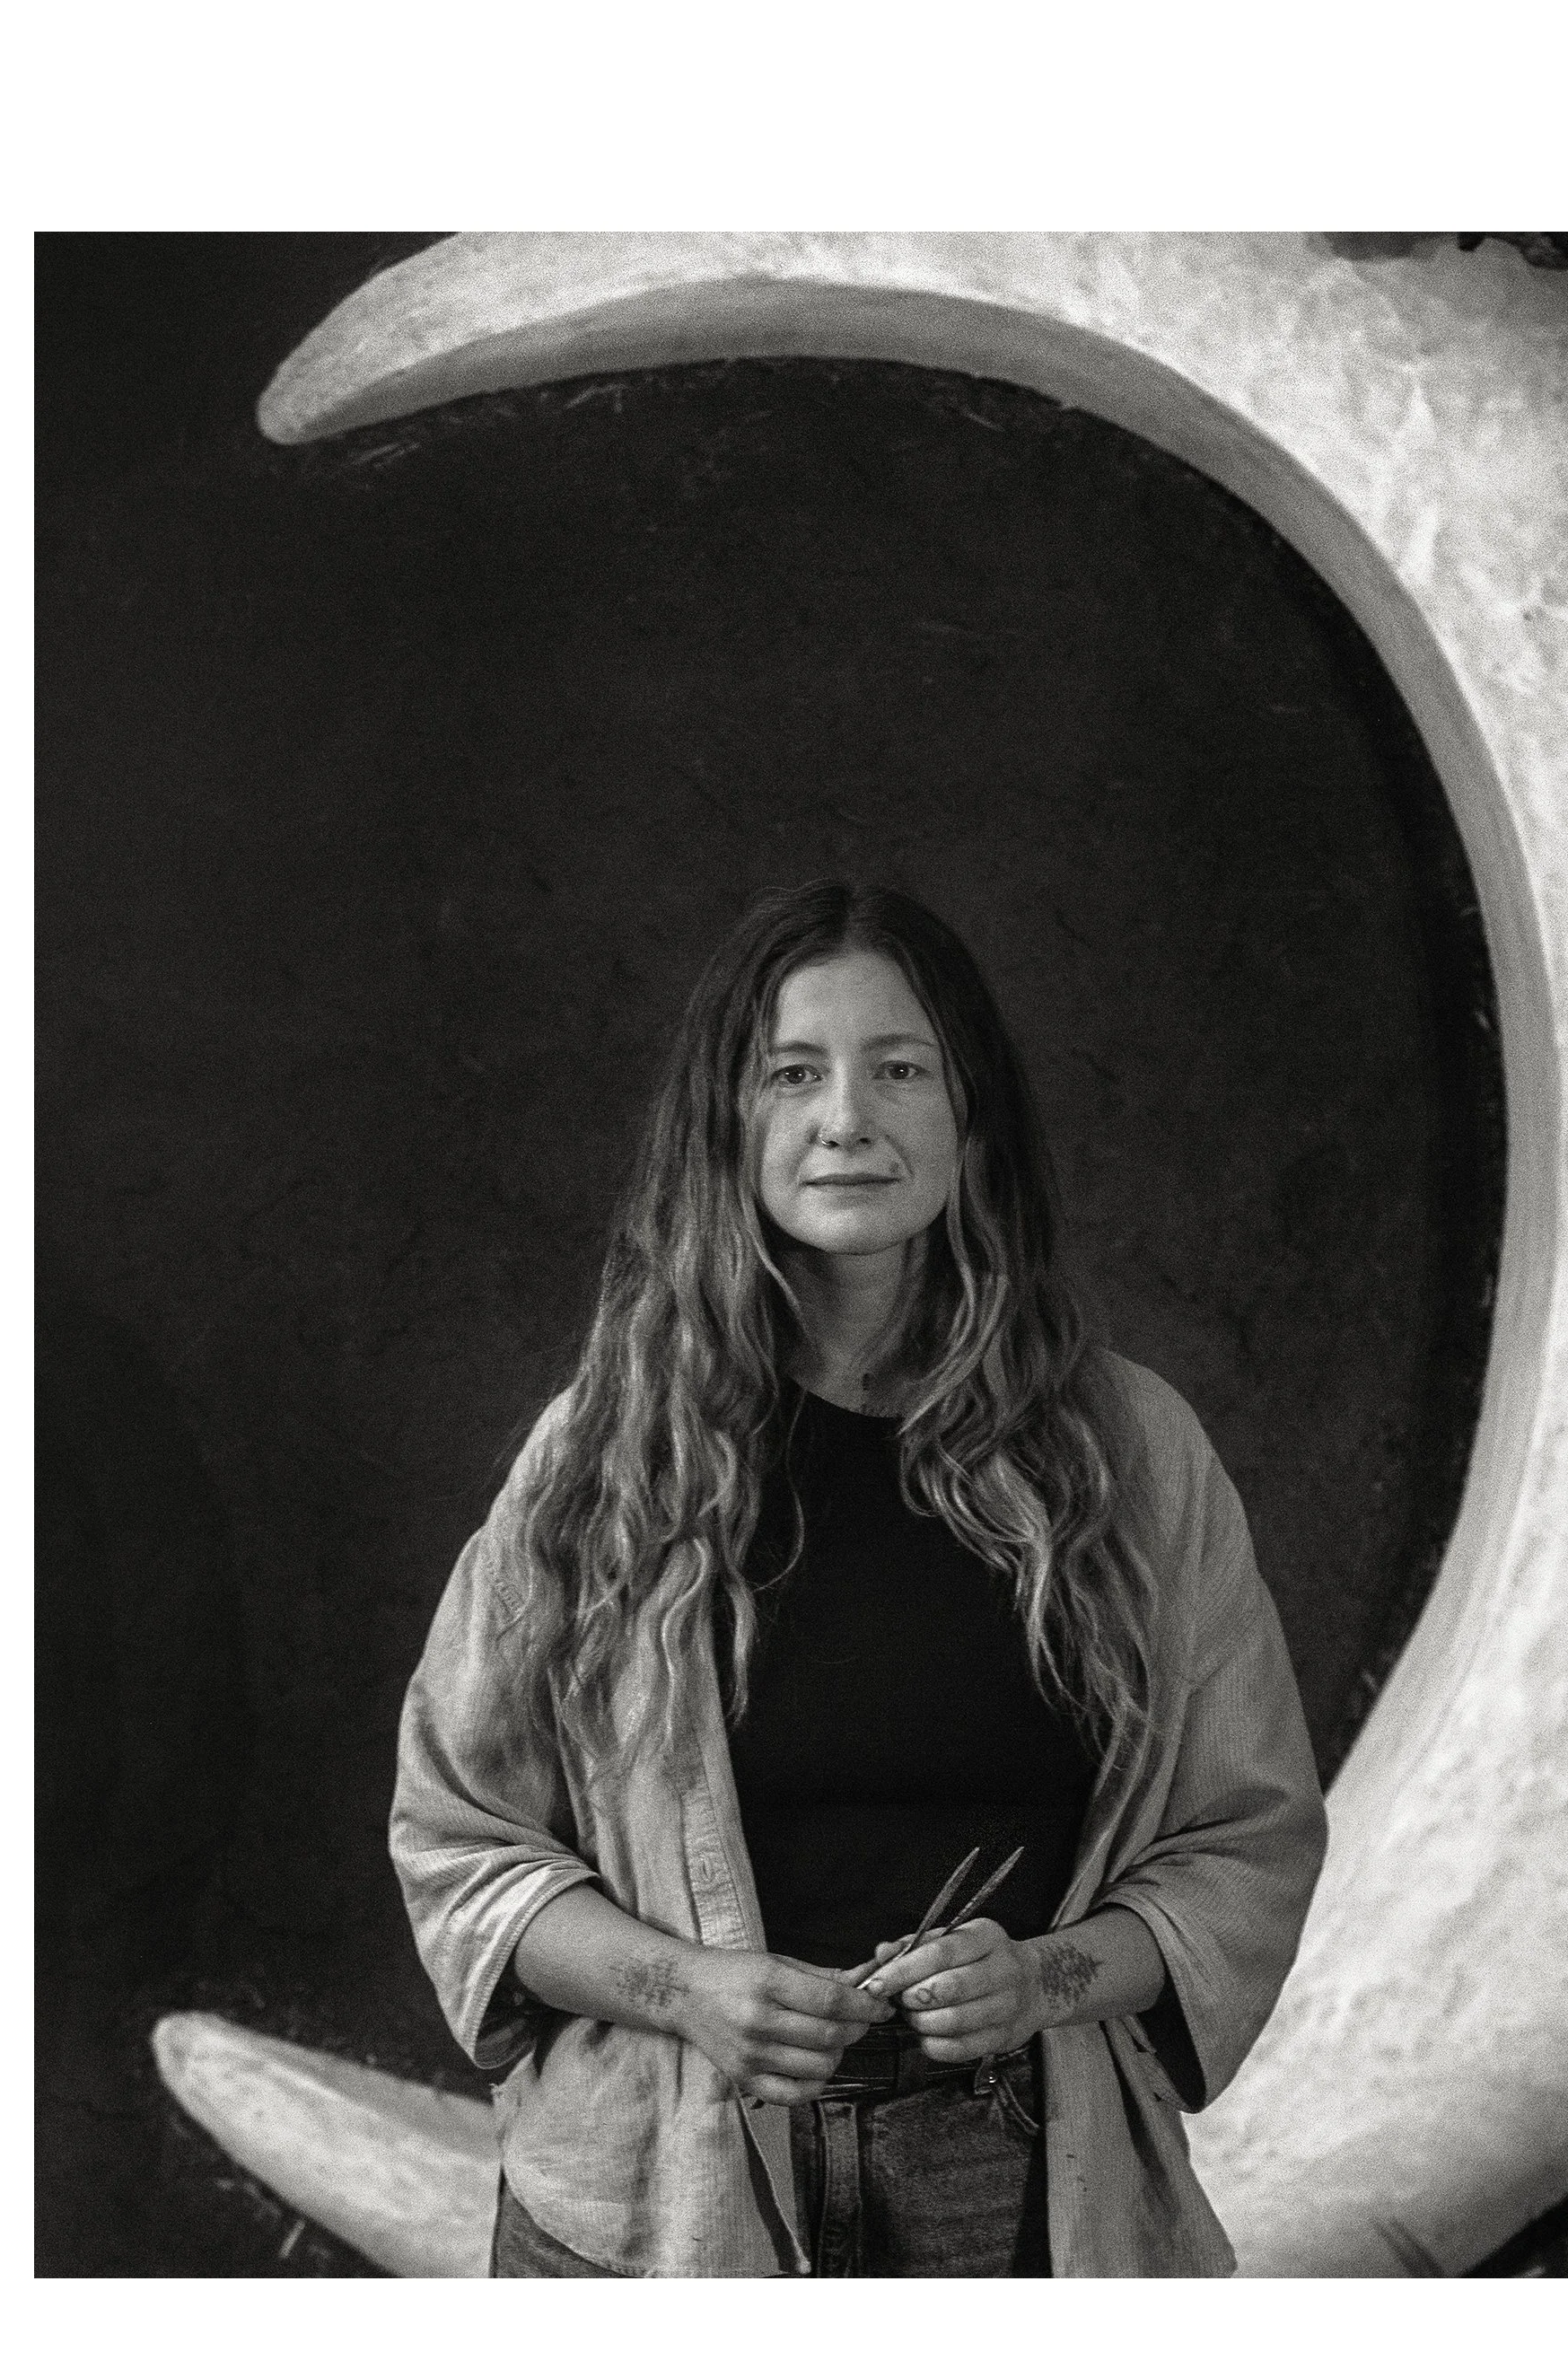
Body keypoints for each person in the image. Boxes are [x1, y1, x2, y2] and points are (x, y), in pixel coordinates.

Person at [391, 881, 1327, 2276]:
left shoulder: (1133, 1455)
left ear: (971, 1115)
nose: (847, 1119)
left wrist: (1043, 1978)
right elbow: (464, 1845)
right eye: (792, 1074)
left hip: (1009, 2189)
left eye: (899, 1069)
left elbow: (1244, 1844)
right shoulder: (609, 1455)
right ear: (728, 1123)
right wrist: (688, 1988)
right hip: (653, 2196)